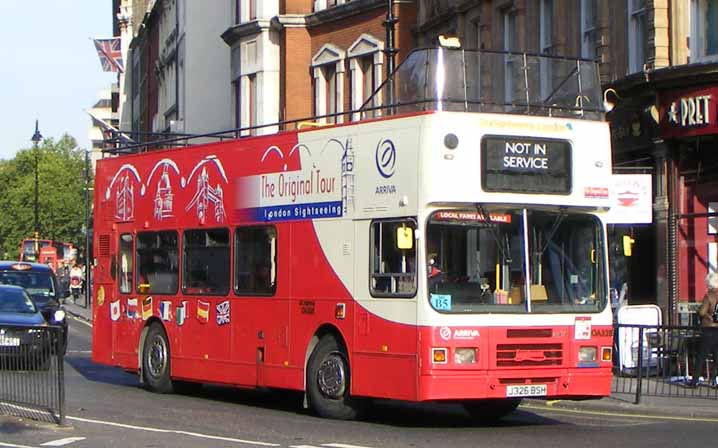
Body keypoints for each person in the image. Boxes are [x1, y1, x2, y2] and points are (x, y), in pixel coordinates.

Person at [690, 272, 718, 387]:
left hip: (709, 329)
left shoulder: (709, 295)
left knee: (701, 355)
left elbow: (702, 312)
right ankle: (716, 380)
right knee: (717, 356)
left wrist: (704, 315)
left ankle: (695, 381)